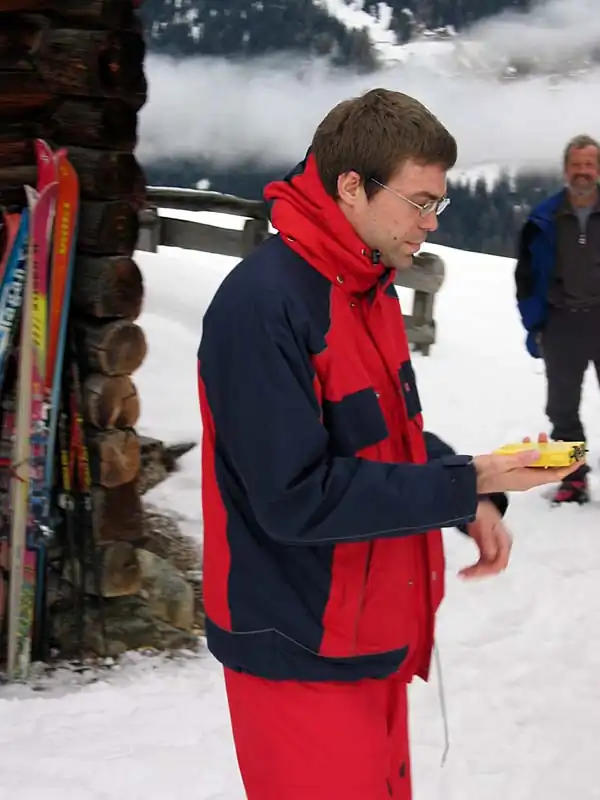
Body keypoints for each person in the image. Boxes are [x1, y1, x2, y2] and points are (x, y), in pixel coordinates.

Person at [198, 89, 579, 799]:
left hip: (366, 634)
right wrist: (467, 480)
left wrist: (473, 494)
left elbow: (385, 439)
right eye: (419, 201)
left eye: (439, 203)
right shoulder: (264, 306)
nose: (431, 222)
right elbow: (293, 497)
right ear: (352, 186)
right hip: (298, 648)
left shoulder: (364, 286)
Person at [515, 133, 600, 505]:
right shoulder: (544, 218)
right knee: (561, 408)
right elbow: (526, 276)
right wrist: (535, 324)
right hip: (561, 323)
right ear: (566, 170)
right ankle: (574, 478)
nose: (583, 171)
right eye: (576, 165)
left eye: (589, 165)